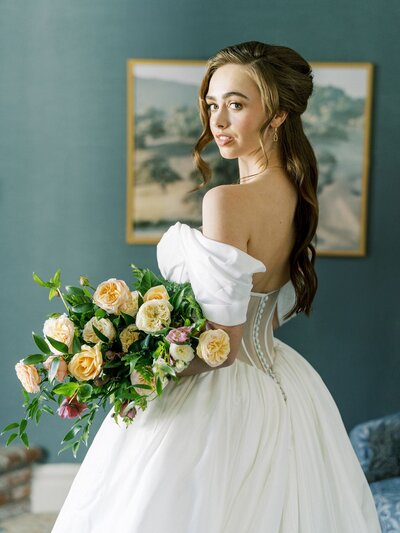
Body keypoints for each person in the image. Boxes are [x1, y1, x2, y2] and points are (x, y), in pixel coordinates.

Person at [52, 41, 381, 532]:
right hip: (283, 389)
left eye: (236, 104)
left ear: (278, 115)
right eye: (212, 105)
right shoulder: (295, 193)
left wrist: (127, 374)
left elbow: (221, 346)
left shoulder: (226, 201)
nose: (218, 122)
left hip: (221, 396)